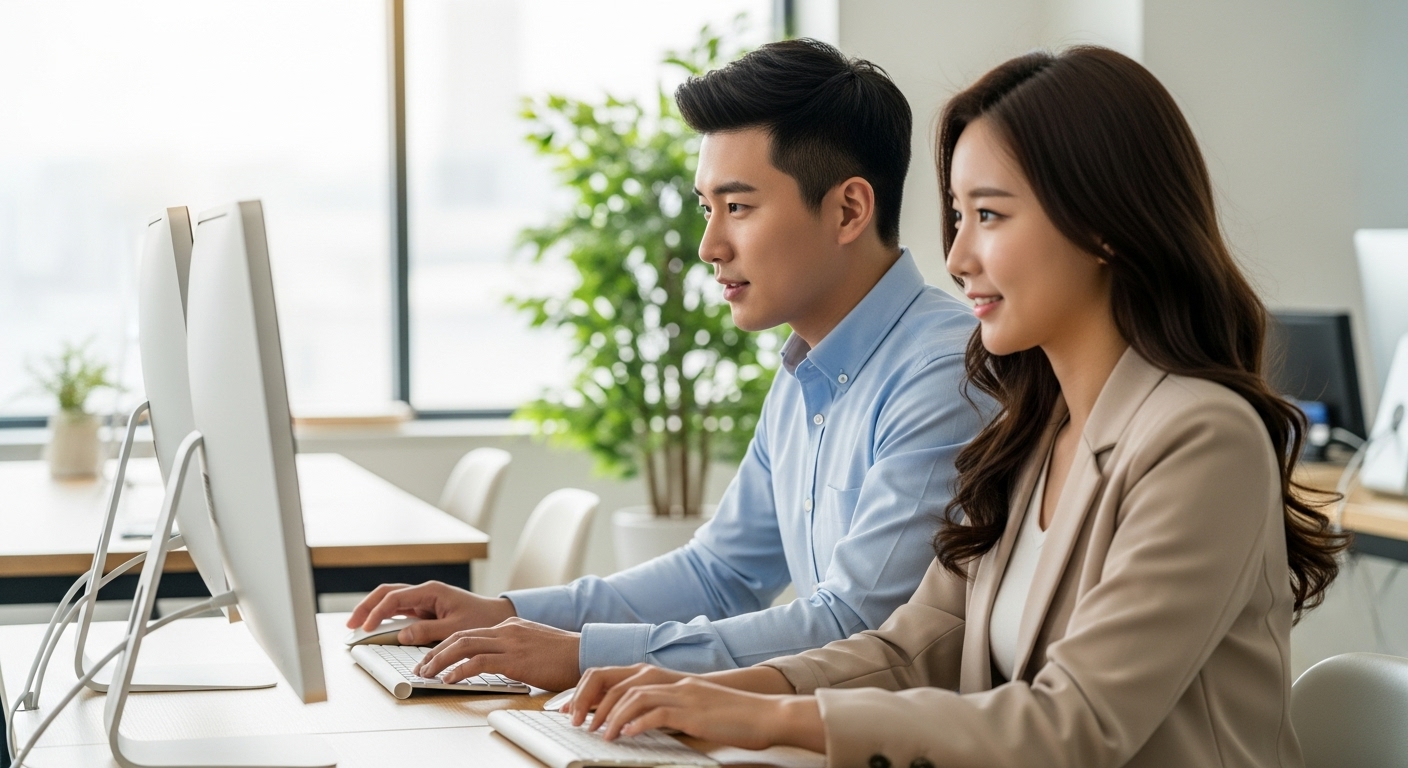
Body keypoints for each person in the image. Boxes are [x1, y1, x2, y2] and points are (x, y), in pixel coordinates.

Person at [566, 46, 1349, 768]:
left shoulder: (1201, 438)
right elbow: (910, 648)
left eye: (991, 215)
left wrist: (768, 717)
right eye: (958, 214)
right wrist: (714, 691)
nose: (958, 256)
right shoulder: (1030, 434)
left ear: (1104, 227)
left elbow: (1073, 723)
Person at [347, 39, 986, 692]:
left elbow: (856, 629)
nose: (710, 246)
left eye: (738, 207)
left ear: (848, 210)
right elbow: (720, 574)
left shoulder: (944, 375)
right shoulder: (805, 371)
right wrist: (507, 614)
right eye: (708, 208)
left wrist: (583, 655)